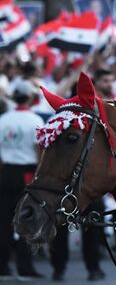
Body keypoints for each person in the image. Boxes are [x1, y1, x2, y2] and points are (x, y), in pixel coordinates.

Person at [0, 81, 44, 280]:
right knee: (28, 221)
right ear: (30, 97)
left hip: (6, 171)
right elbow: (39, 151)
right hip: (28, 173)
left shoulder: (3, 119)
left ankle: (3, 266)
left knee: (4, 221)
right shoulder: (35, 119)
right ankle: (25, 267)